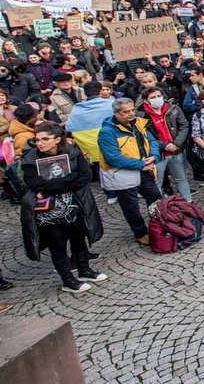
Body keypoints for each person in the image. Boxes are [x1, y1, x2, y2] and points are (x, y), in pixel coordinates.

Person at [19, 124, 106, 294]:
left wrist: (54, 185)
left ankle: (84, 270)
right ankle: (67, 279)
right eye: (37, 139)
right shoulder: (30, 159)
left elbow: (85, 175)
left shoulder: (72, 151)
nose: (40, 143)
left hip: (75, 205)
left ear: (57, 139)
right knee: (57, 244)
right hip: (48, 212)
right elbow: (35, 183)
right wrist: (68, 181)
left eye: (45, 139)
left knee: (79, 238)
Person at [97, 97, 161, 244]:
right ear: (116, 113)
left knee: (155, 198)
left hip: (145, 169)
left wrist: (154, 156)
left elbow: (151, 140)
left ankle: (159, 225)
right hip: (123, 174)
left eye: (132, 110)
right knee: (130, 206)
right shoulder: (107, 131)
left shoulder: (138, 123)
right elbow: (112, 157)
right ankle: (140, 233)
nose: (131, 114)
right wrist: (139, 165)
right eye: (126, 112)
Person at [138, 87, 192, 203]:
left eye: (159, 96)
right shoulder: (141, 116)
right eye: (153, 97)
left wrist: (176, 143)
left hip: (176, 151)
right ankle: (157, 208)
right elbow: (144, 136)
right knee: (157, 182)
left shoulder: (174, 109)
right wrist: (164, 145)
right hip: (157, 154)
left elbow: (184, 126)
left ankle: (189, 203)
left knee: (181, 179)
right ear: (146, 101)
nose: (157, 99)